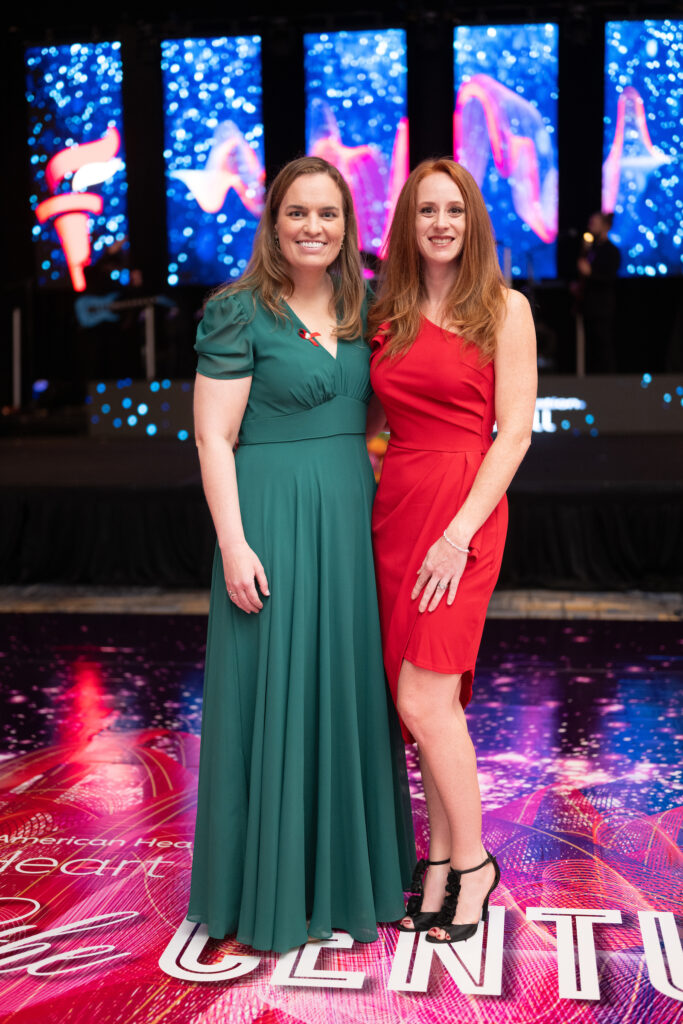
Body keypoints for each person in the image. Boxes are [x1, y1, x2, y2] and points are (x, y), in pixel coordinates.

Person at [188, 156, 415, 953]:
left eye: (328, 214)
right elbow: (214, 437)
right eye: (297, 214)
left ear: (348, 226)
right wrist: (233, 542)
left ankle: (351, 883)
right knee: (273, 699)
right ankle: (272, 892)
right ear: (273, 223)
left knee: (345, 692)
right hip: (270, 526)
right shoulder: (237, 312)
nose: (313, 228)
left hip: (351, 527)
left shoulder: (370, 310)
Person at [367, 158, 536, 943]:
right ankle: (436, 864)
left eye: (454, 210)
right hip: (396, 508)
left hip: (462, 513)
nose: (440, 222)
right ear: (407, 222)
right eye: (426, 209)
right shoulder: (387, 311)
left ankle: (471, 866)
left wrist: (456, 533)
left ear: (473, 223)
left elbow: (515, 434)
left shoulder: (504, 308)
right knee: (430, 710)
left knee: (422, 701)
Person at [577, 211, 621, 373]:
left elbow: (609, 278)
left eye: (594, 223)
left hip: (602, 307)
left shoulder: (611, 251)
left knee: (603, 345)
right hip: (588, 306)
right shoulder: (591, 248)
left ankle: (608, 380)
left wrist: (590, 274)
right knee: (590, 347)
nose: (590, 227)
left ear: (605, 226)